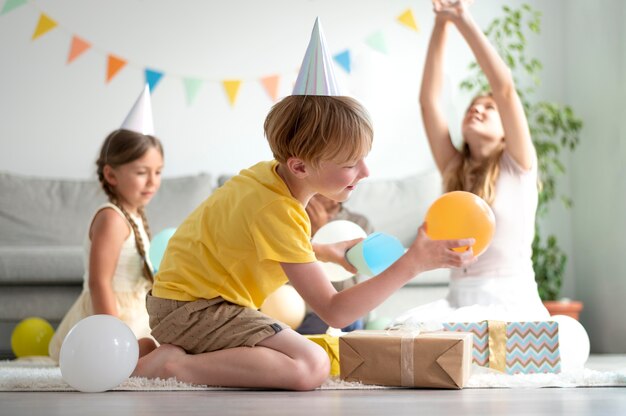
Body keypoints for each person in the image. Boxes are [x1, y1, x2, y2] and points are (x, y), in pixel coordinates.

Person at [131, 18, 475, 391]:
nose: (365, 171)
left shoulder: (265, 177)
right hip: (195, 310)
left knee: (303, 357)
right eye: (350, 164)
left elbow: (250, 244)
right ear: (300, 165)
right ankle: (175, 367)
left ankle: (170, 352)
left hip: (181, 305)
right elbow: (335, 310)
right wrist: (414, 263)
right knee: (310, 365)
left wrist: (324, 251)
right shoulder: (278, 209)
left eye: (363, 158)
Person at [393, 0, 550, 327]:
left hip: (510, 301)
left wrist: (463, 19)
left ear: (507, 131)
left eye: (487, 109)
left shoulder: (518, 165)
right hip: (459, 301)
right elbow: (428, 103)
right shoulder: (455, 168)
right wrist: (440, 24)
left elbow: (504, 88)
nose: (476, 110)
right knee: (405, 330)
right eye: (472, 107)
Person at [49, 88, 163, 361]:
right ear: (111, 174)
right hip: (107, 316)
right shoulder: (111, 218)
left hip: (134, 313)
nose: (152, 182)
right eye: (141, 173)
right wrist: (112, 338)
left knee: (165, 348)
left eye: (158, 172)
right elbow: (100, 282)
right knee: (151, 350)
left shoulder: (135, 216)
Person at [296, 194, 374, 334]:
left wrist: (322, 232)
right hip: (297, 312)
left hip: (335, 313)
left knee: (347, 318)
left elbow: (347, 287)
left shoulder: (358, 224)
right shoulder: (290, 217)